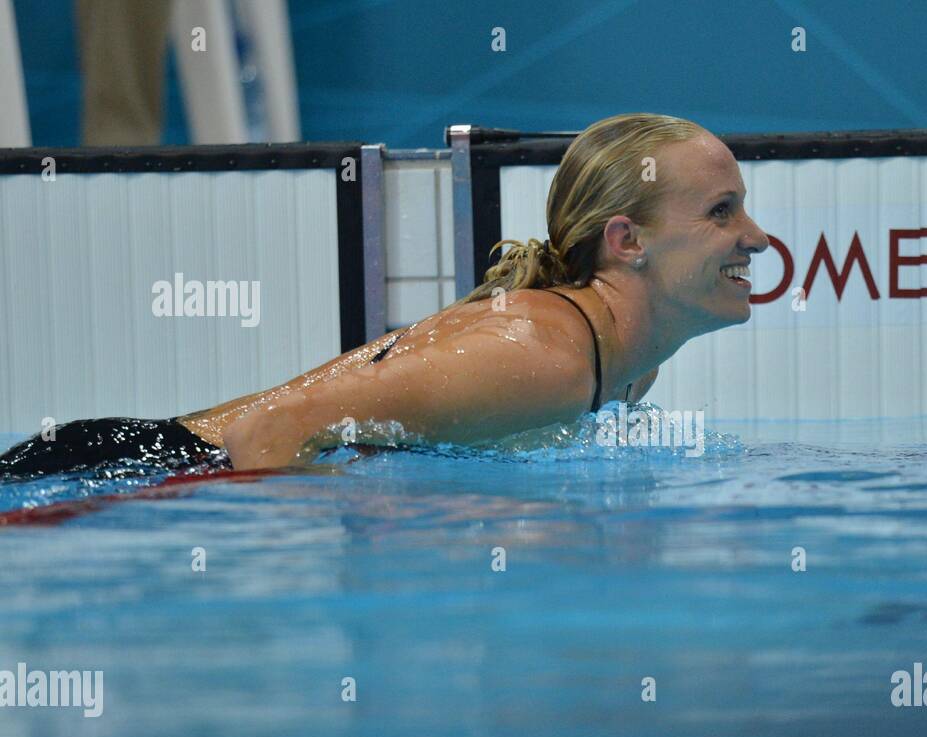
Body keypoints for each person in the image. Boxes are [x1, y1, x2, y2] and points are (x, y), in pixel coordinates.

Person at [0, 113, 769, 480]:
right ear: (627, 240)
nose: (758, 238)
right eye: (721, 211)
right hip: (127, 477)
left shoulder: (631, 365)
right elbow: (270, 437)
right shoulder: (545, 359)